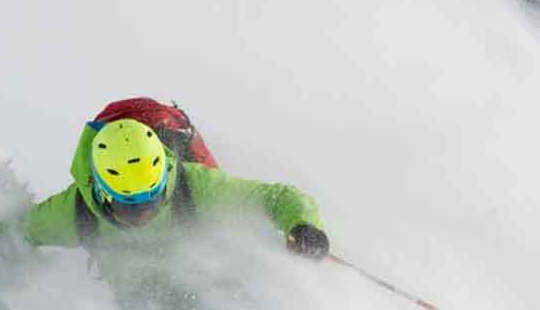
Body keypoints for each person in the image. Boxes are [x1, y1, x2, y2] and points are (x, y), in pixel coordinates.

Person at [20, 105, 330, 285]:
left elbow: (276, 198)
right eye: (130, 207)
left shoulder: (194, 187)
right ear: (101, 193)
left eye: (152, 199)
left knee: (225, 272)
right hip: (136, 279)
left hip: (192, 231)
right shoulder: (78, 213)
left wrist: (302, 225)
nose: (144, 214)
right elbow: (21, 230)